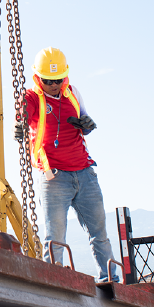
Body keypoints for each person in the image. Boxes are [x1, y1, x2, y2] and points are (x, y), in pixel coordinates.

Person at [15, 46, 117, 282]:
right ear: (38, 78)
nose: (54, 85)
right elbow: (22, 116)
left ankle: (110, 279)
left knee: (99, 233)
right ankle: (54, 282)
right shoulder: (31, 98)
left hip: (85, 173)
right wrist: (17, 125)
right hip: (54, 178)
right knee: (55, 238)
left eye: (58, 80)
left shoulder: (72, 93)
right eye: (48, 81)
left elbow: (85, 121)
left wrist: (87, 125)